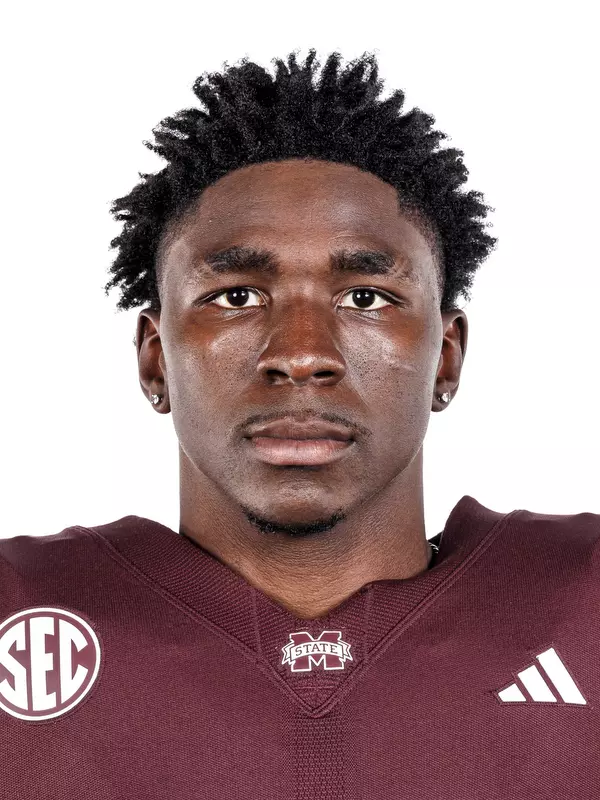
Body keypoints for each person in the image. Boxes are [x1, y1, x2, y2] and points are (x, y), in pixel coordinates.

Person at [1, 49, 598, 799]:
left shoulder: (585, 603)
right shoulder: (21, 612)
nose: (302, 355)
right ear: (155, 361)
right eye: (238, 297)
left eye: (365, 297)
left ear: (446, 360)